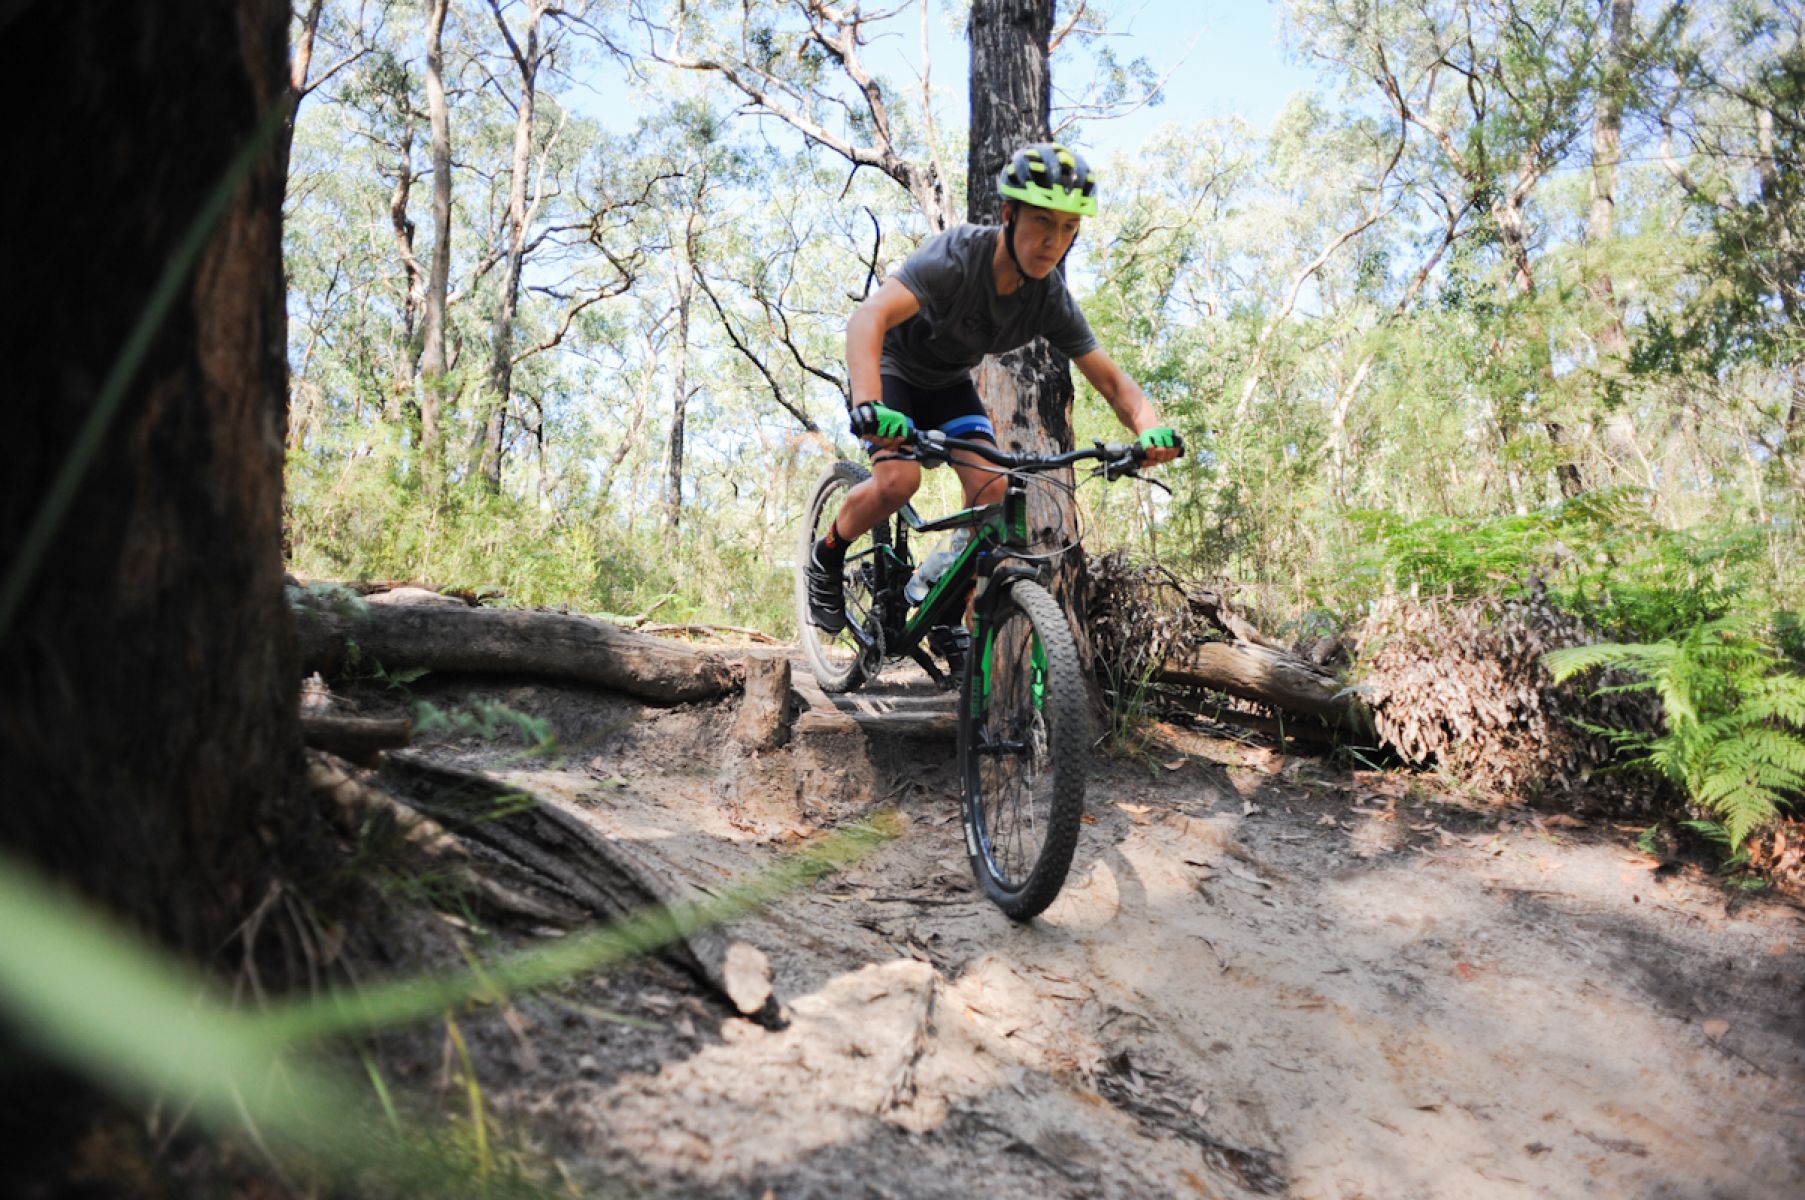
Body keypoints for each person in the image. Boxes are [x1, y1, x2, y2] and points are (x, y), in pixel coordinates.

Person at [806, 142, 1182, 633]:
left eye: (1070, 228)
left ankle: (942, 616)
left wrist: (1149, 430)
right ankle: (826, 556)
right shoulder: (957, 256)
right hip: (894, 368)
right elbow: (867, 319)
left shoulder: (1048, 300)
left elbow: (1112, 383)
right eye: (1043, 222)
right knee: (900, 482)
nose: (1055, 241)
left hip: (947, 384)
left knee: (994, 497)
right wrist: (869, 405)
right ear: (1008, 213)